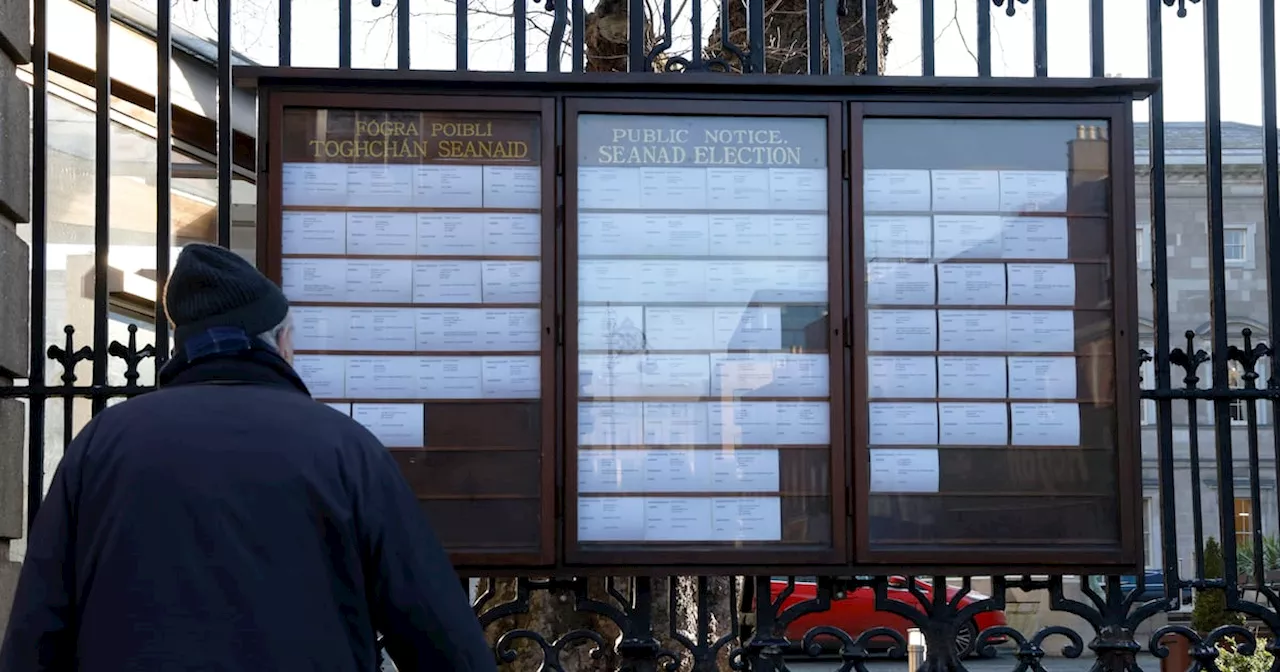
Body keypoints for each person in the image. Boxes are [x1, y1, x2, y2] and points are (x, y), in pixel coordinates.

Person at [0, 243, 497, 672]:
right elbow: (441, 637)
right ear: (279, 340)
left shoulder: (101, 444)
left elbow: (37, 632)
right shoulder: (345, 450)